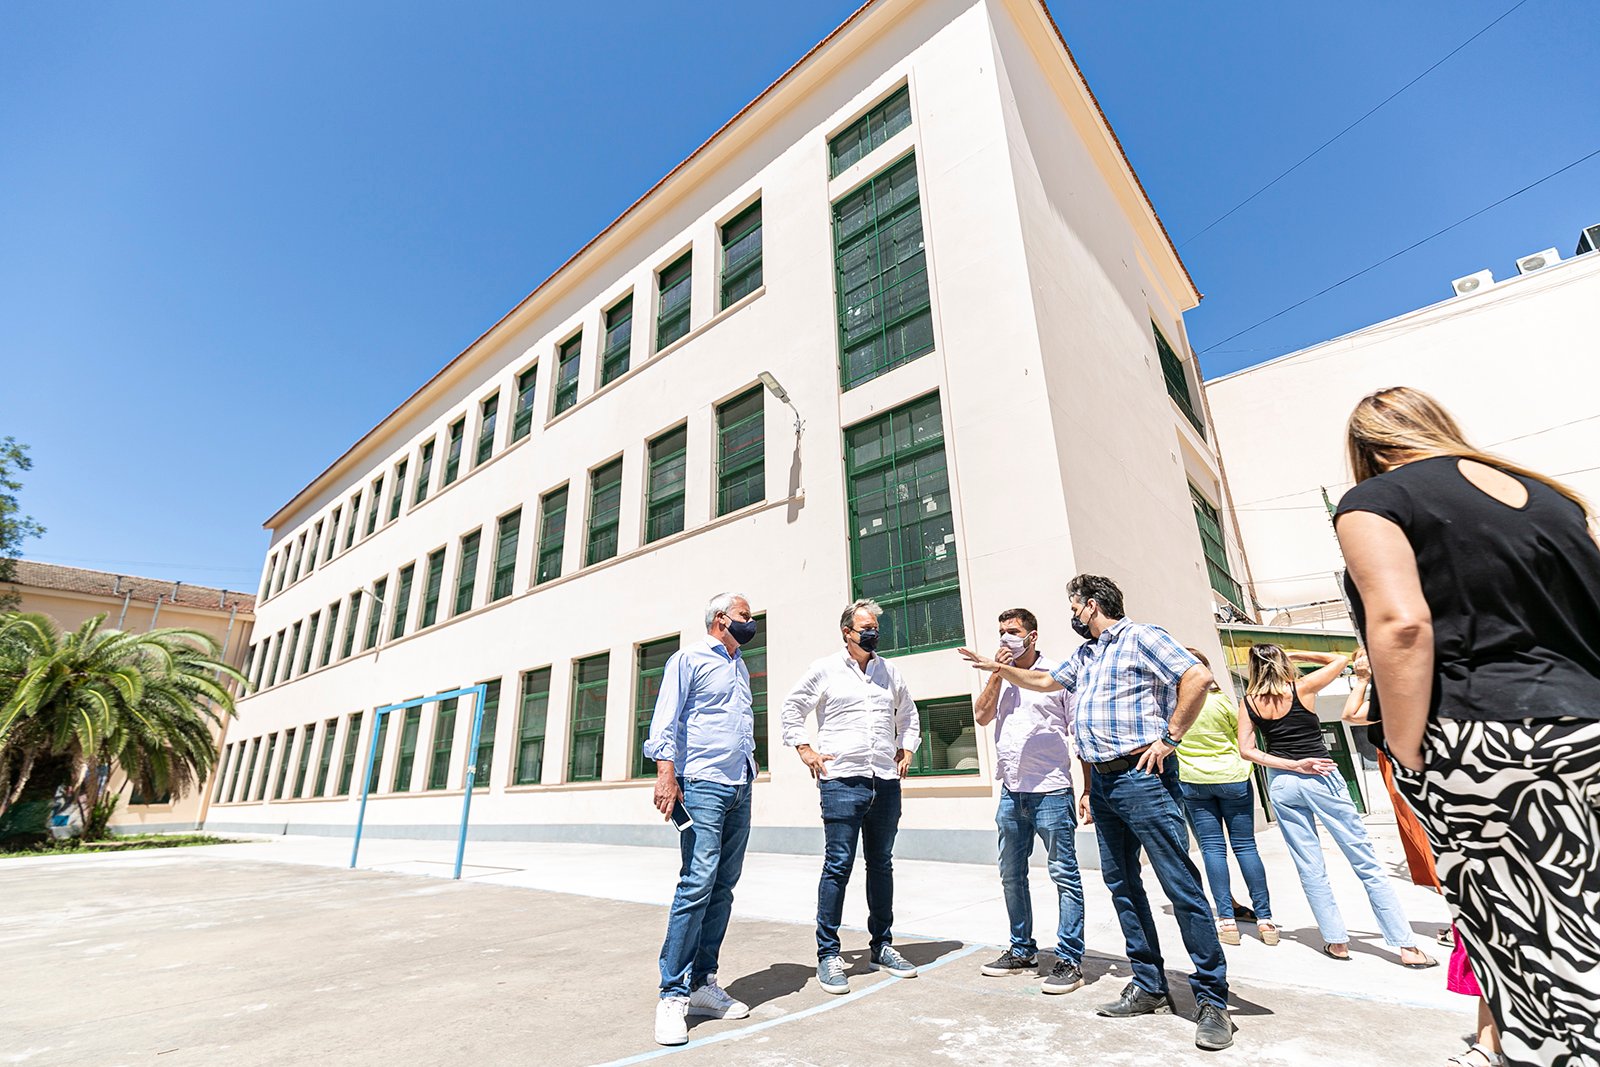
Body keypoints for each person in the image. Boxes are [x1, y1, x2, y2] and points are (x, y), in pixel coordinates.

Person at [1334, 386, 1600, 1066]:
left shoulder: (1376, 501)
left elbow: (1401, 623)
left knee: (1525, 944)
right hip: (1588, 723)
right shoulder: (1555, 499)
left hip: (1484, 741)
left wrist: (1402, 743)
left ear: (1368, 451)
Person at [960, 575, 1234, 1052]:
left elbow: (1198, 677)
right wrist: (996, 669)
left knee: (1180, 886)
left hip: (1142, 778)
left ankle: (1212, 1000)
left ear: (1089, 605)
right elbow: (1044, 680)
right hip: (1106, 786)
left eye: (1073, 606)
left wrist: (1171, 737)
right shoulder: (1085, 656)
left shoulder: (1142, 636)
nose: (1072, 613)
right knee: (1122, 885)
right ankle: (1149, 985)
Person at [1237, 643, 1436, 969]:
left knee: (1309, 865)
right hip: (1322, 776)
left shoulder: (1250, 703)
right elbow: (1340, 659)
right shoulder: (1302, 688)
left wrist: (1291, 766)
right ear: (1282, 662)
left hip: (1284, 783)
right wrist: (1296, 654)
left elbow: (1248, 751)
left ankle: (1337, 941)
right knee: (1365, 861)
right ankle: (1406, 947)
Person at [780, 598, 921, 995]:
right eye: (865, 626)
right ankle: (828, 953)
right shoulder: (824, 669)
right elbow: (792, 708)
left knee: (881, 865)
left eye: (876, 625)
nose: (873, 632)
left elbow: (908, 715)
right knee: (838, 865)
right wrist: (804, 749)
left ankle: (883, 946)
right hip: (842, 781)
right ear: (847, 632)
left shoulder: (889, 672)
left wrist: (907, 747)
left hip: (885, 781)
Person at [643, 592, 761, 1046]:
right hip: (701, 783)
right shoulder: (687, 659)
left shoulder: (739, 663)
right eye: (744, 617)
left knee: (724, 886)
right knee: (697, 882)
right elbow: (666, 721)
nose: (750, 624)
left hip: (739, 785)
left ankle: (701, 984)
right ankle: (672, 993)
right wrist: (666, 777)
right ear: (719, 620)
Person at [973, 607, 1091, 993]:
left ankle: (1069, 959)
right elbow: (981, 716)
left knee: (1064, 875)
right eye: (1002, 631)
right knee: (1011, 875)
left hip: (1052, 790)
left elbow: (1080, 735)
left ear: (1032, 636)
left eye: (1013, 631)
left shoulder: (1057, 673)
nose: (1006, 637)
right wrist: (996, 673)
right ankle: (1021, 948)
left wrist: (1087, 789)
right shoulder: (1000, 675)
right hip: (1011, 791)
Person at [1176, 647, 1277, 947]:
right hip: (1233, 779)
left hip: (1194, 781)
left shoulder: (1175, 706)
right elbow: (1244, 739)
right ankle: (1266, 921)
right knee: (1246, 847)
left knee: (1211, 850)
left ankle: (1226, 921)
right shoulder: (1223, 702)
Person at [1340, 650, 1441, 893]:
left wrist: (1362, 679)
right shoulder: (1420, 683)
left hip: (1403, 764)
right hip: (1425, 760)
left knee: (1423, 832)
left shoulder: (1393, 693)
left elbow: (1350, 714)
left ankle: (1458, 915)